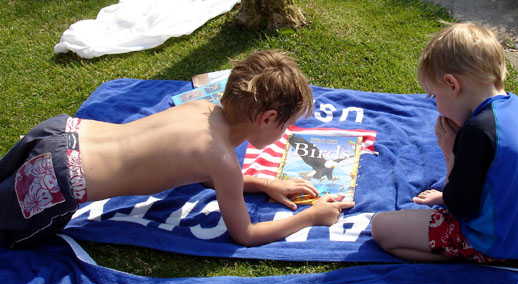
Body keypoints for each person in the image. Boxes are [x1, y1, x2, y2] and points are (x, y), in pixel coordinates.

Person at [0, 50, 354, 249]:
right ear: (267, 118)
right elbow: (245, 234)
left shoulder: (203, 109)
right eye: (286, 125)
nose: (287, 133)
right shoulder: (222, 160)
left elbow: (198, 173)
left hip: (58, 132)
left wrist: (263, 184)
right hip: (57, 180)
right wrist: (311, 215)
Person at [371, 23, 518, 262]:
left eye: (435, 95)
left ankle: (463, 258)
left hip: (490, 243)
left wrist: (450, 154)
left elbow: (459, 207)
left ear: (452, 84)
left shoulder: (477, 132)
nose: (435, 103)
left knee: (380, 228)